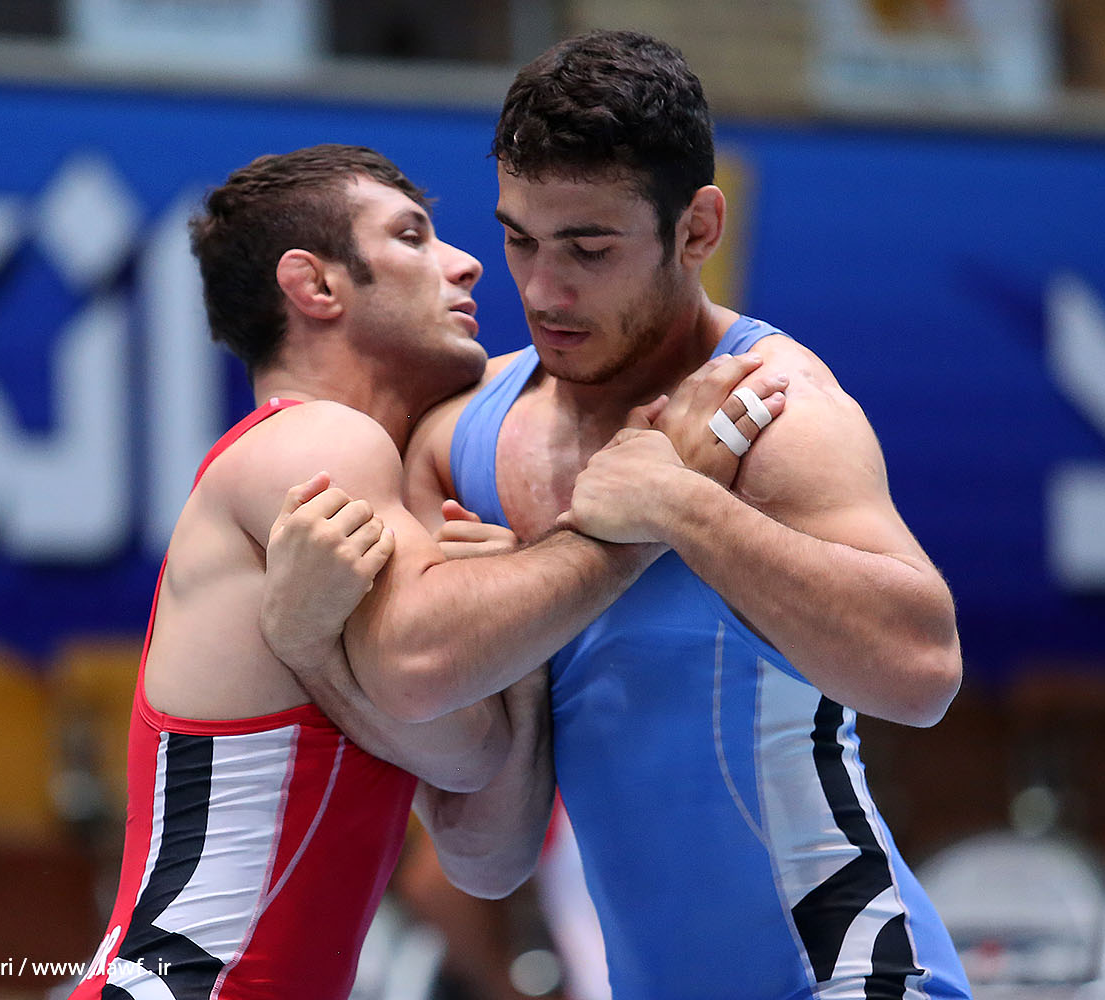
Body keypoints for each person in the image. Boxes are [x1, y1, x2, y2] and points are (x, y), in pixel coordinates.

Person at [268, 31, 974, 1000]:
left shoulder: (770, 408)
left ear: (697, 229)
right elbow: (487, 855)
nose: (542, 290)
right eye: (520, 240)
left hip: (851, 972)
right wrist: (521, 641)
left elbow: (924, 671)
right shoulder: (459, 439)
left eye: (589, 249)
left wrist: (681, 503)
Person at [68, 143, 784, 1000]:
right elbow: (436, 697)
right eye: (412, 236)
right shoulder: (314, 439)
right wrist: (649, 514)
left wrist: (349, 651)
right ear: (315, 285)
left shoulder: (384, 490)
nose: (467, 262)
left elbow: (490, 852)